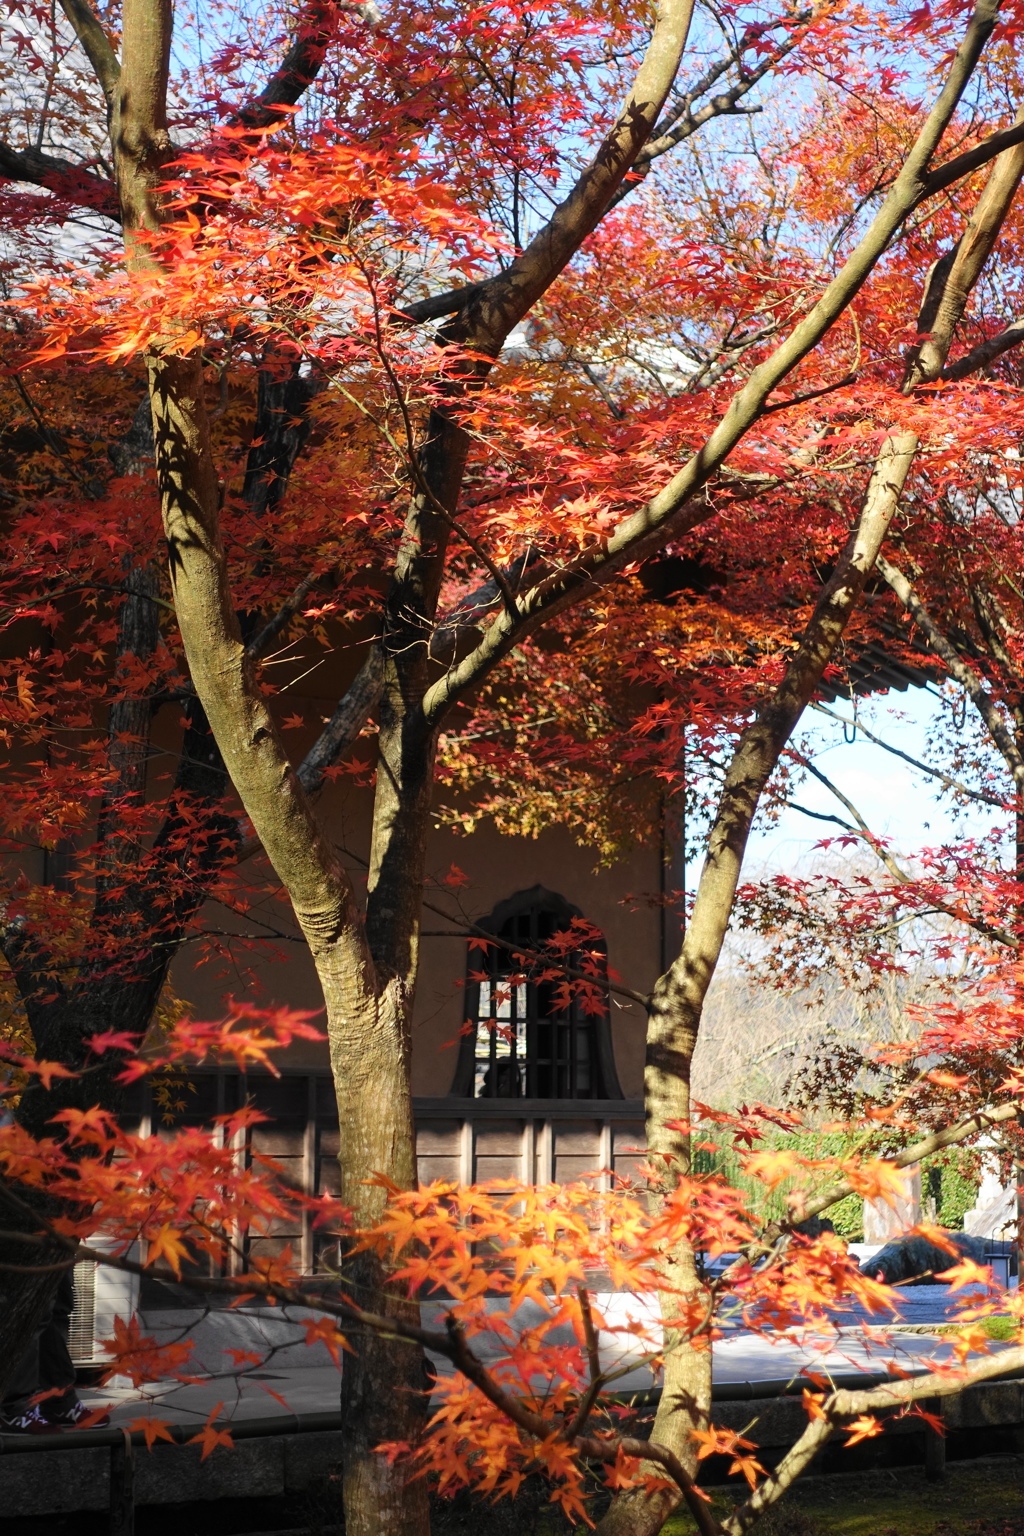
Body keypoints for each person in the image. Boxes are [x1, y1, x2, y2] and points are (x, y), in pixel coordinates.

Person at [0, 1268, 109, 1434]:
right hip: (32, 1246)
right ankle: (14, 1408)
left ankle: (56, 1400)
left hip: (60, 1246)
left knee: (59, 1306)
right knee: (29, 1308)